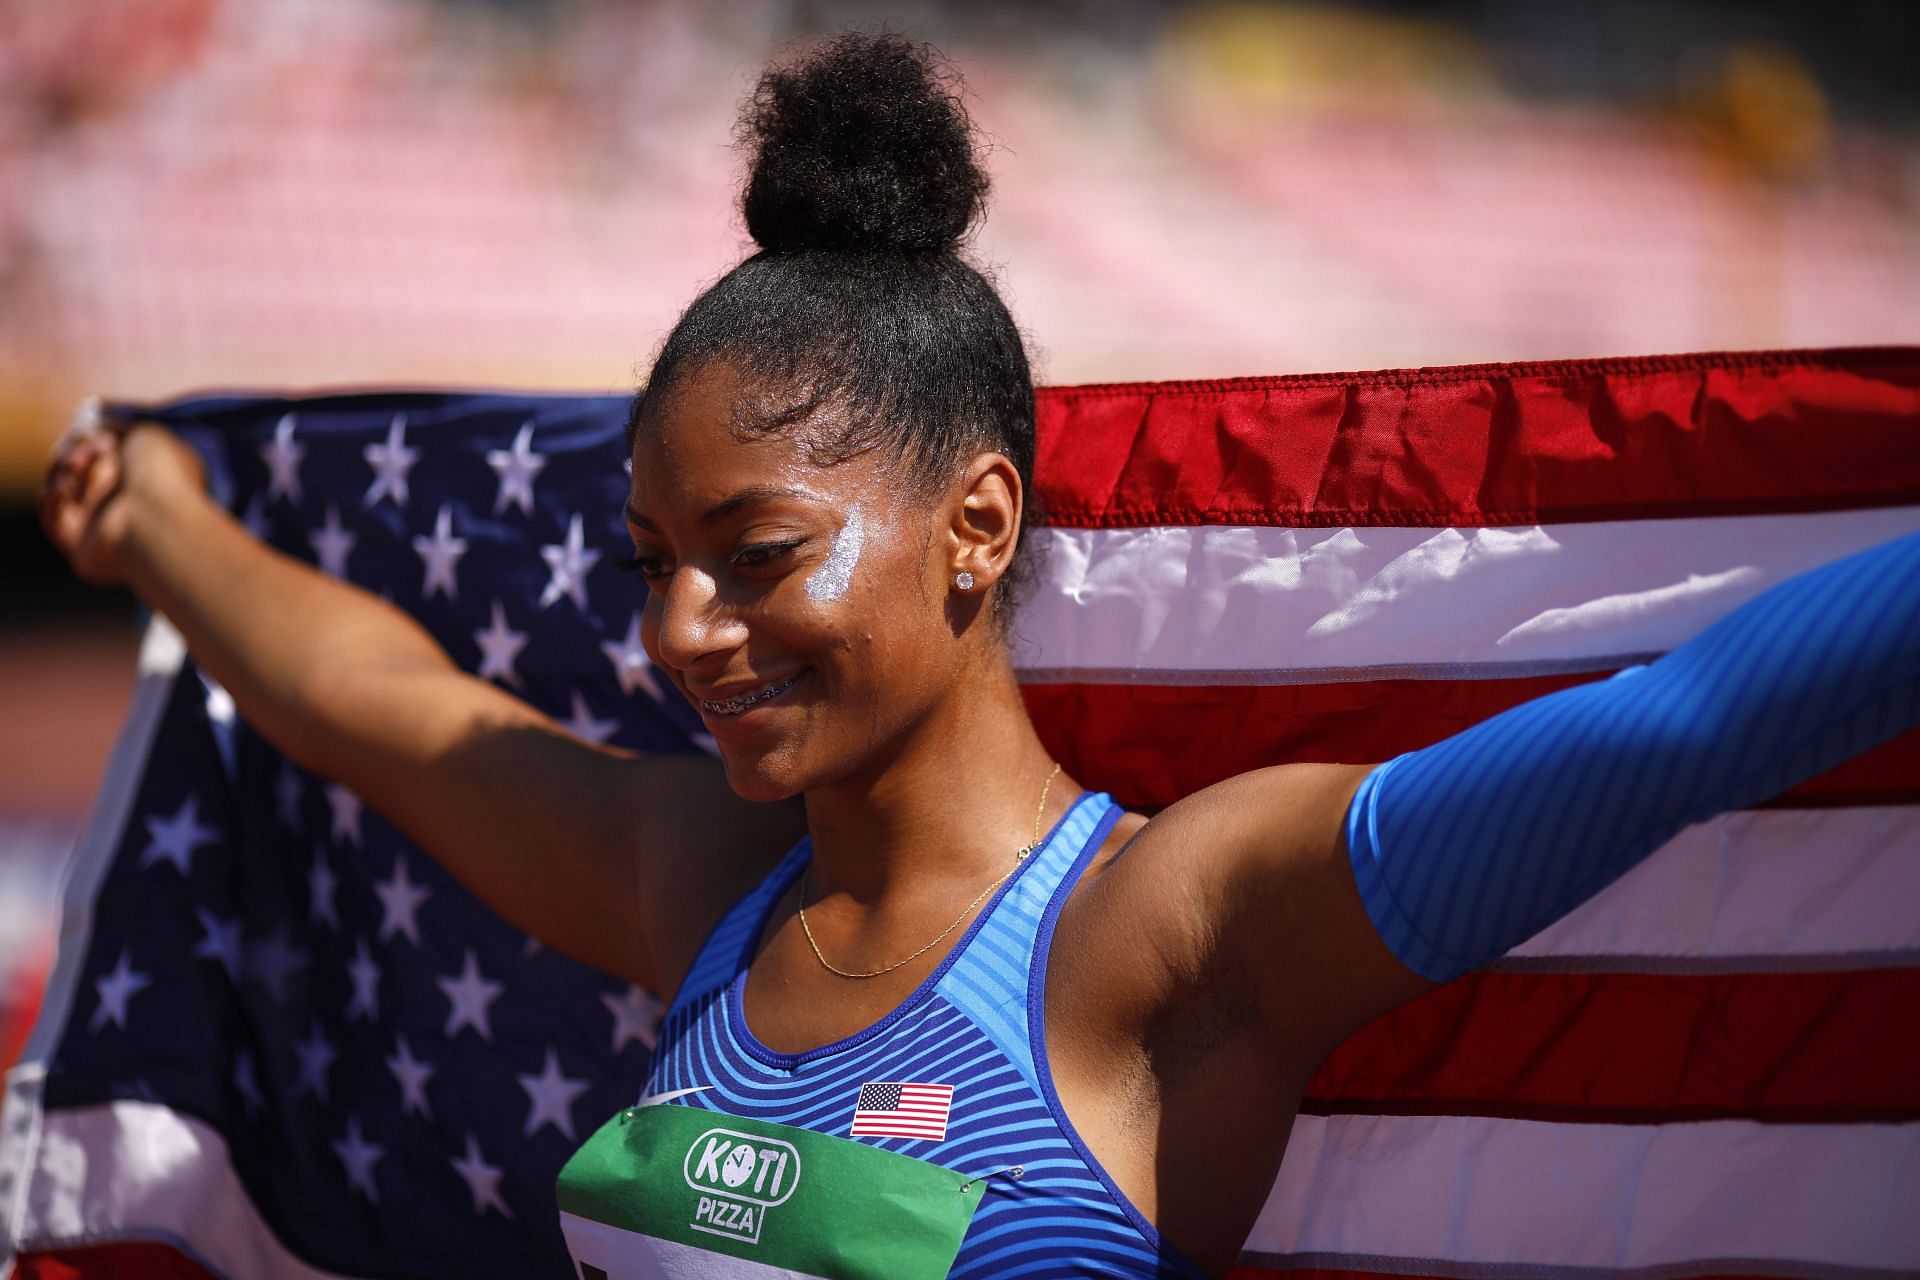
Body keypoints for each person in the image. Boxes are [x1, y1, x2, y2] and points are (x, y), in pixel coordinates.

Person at [39, 30, 1920, 1280]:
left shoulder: (1173, 933)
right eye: (652, 562)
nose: (680, 631)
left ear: (981, 526)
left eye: (755, 555)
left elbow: (1686, 730)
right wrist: (157, 522)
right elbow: (392, 714)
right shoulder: (699, 883)